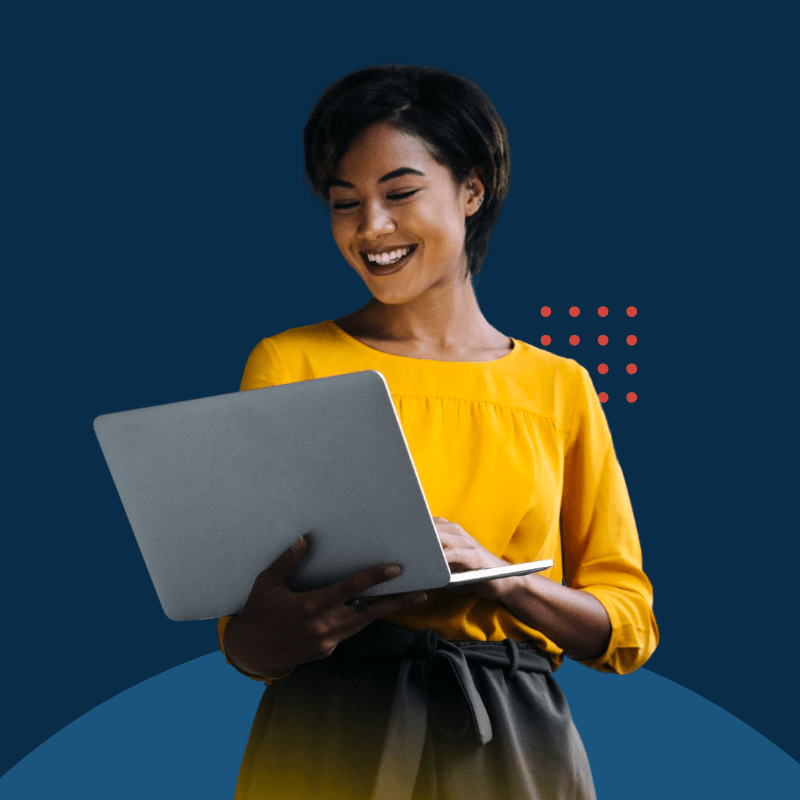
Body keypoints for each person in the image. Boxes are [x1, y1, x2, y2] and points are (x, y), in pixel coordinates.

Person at [218, 64, 658, 800]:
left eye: (400, 193)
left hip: (511, 738)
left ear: (472, 190)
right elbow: (248, 640)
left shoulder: (560, 387)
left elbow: (626, 626)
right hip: (328, 728)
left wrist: (505, 578)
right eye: (344, 203)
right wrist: (269, 634)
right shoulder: (288, 361)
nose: (371, 229)